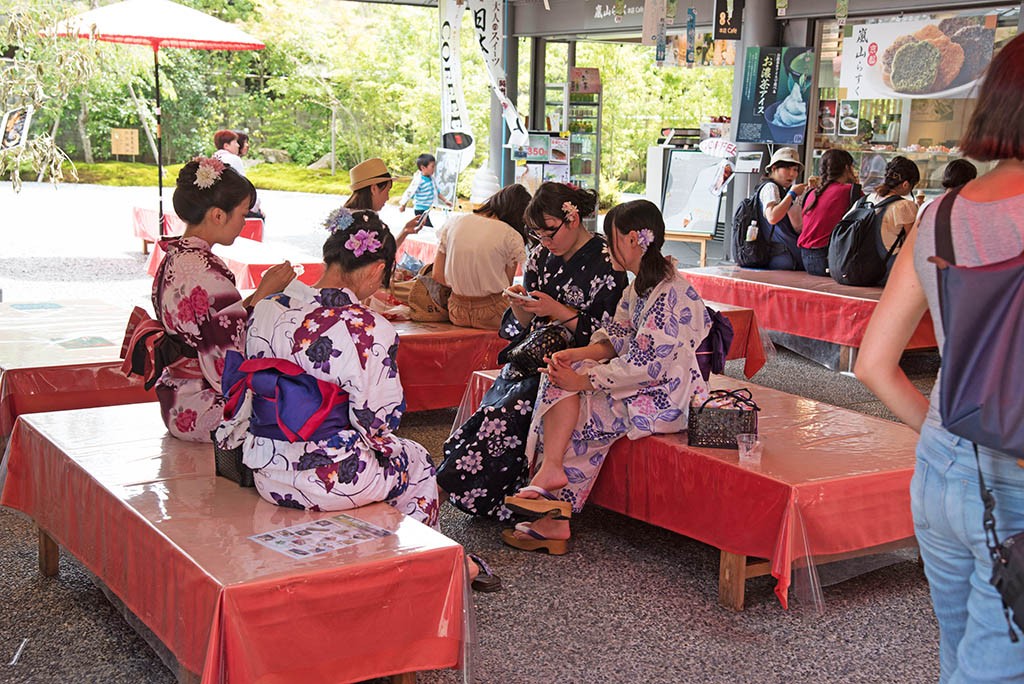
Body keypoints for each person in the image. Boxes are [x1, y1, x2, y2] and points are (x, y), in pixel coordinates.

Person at [855, 33, 1024, 682]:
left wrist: (943, 429)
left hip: (939, 468)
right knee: (992, 666)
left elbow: (873, 362)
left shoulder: (940, 215)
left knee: (961, 648)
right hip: (1014, 480)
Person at [501, 199, 711, 553]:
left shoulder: (672, 293)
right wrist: (575, 357)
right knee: (560, 375)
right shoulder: (640, 285)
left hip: (669, 395)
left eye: (609, 238)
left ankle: (554, 511)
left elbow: (649, 365)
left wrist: (585, 381)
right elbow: (616, 337)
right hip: (639, 381)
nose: (604, 246)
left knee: (585, 413)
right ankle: (551, 476)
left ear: (632, 240)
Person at [216, 209, 440, 523]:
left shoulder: (269, 307)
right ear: (377, 269)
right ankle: (416, 562)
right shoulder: (368, 327)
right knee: (417, 460)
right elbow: (376, 420)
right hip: (334, 477)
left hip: (268, 470)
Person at [437, 182, 628, 519]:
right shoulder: (542, 254)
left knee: (506, 411)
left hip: (576, 356)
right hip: (533, 352)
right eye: (537, 234)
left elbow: (609, 336)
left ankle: (454, 487)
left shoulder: (606, 263)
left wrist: (557, 311)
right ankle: (454, 485)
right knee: (495, 404)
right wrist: (521, 305)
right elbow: (520, 323)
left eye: (550, 232)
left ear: (573, 219)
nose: (545, 241)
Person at [152, 157, 295, 442]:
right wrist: (266, 293)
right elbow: (227, 359)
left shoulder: (175, 257)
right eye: (243, 214)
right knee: (305, 402)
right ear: (218, 215)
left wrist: (261, 293)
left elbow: (214, 322)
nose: (244, 222)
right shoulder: (207, 272)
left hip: (176, 399)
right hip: (205, 407)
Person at [433, 184, 530, 329]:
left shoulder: (454, 222)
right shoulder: (511, 235)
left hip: (456, 311)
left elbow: (437, 274)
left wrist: (464, 286)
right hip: (494, 313)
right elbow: (507, 288)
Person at [799, 149, 861, 276]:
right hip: (828, 259)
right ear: (847, 168)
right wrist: (855, 183)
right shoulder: (849, 191)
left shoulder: (812, 193)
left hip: (806, 257)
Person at [345, 157, 423, 249]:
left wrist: (405, 231)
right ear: (374, 189)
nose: (387, 197)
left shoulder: (345, 217)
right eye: (387, 191)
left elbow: (383, 253)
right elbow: (381, 258)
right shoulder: (362, 222)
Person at [758, 147, 808, 271]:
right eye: (787, 168)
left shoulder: (782, 191)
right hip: (779, 256)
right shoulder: (770, 187)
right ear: (774, 168)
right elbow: (772, 217)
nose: (792, 174)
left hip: (785, 256)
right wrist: (792, 195)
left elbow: (797, 226)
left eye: (795, 170)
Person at [864, 156, 920, 266]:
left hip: (861, 263)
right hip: (885, 268)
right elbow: (912, 243)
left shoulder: (869, 198)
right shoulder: (905, 206)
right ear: (906, 184)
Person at [398, 153, 453, 227]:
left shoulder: (431, 179)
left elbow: (436, 191)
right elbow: (410, 192)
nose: (434, 169)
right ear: (423, 168)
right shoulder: (418, 180)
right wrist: (403, 204)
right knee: (427, 228)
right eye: (432, 167)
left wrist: (445, 201)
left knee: (423, 228)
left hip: (427, 209)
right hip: (420, 210)